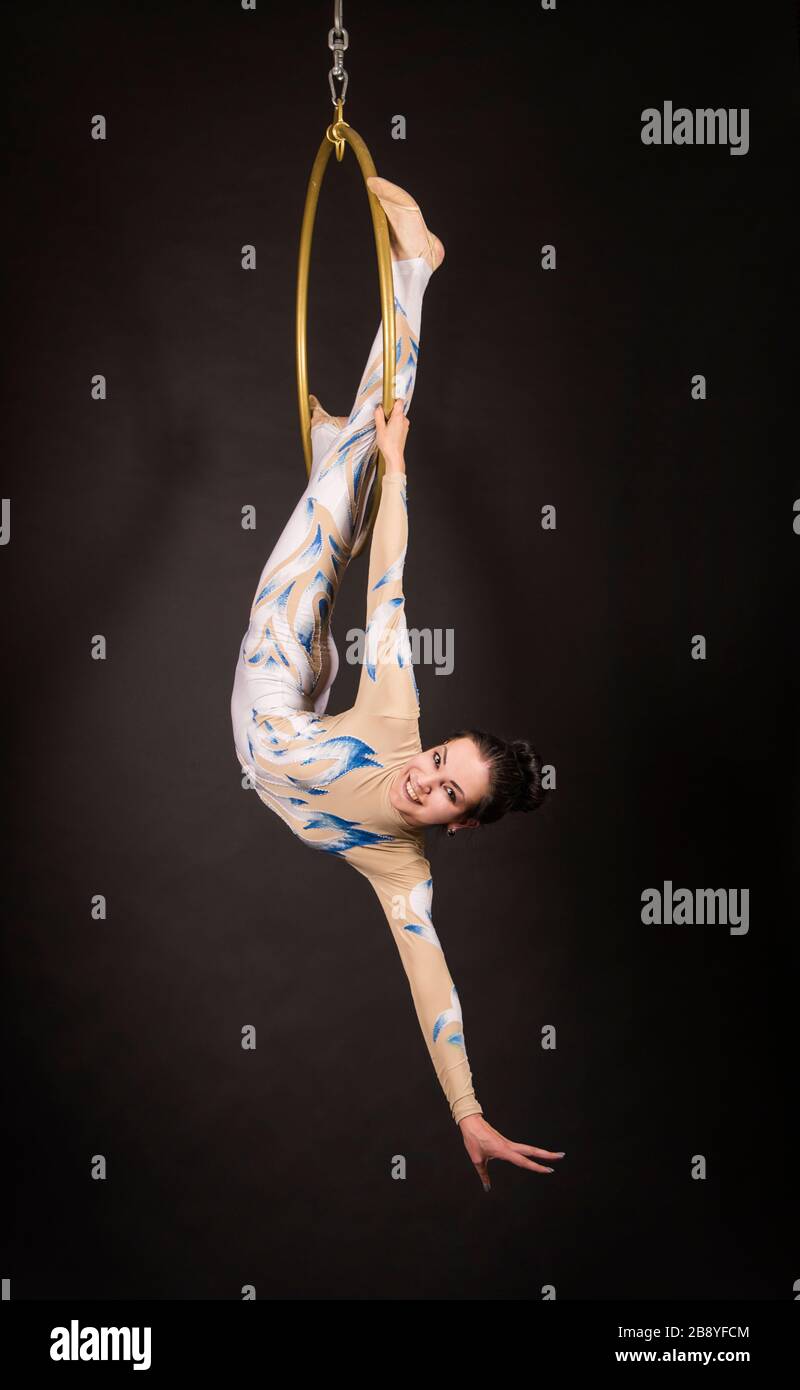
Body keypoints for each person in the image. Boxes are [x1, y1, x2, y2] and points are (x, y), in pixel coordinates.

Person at [230, 177, 564, 1191]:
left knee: (340, 475)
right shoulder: (394, 717)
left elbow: (437, 992)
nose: (423, 779)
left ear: (456, 824)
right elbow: (387, 578)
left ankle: (371, 383)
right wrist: (398, 469)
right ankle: (412, 272)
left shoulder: (404, 874)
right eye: (437, 762)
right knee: (354, 481)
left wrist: (467, 1111)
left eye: (443, 791)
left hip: (271, 724)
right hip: (288, 670)